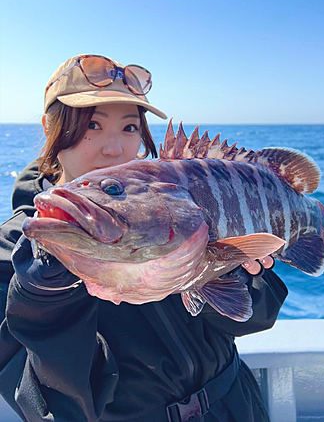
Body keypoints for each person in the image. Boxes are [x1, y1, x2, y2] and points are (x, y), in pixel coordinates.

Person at [0, 54, 288, 422]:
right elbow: (51, 405)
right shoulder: (13, 252)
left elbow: (254, 319)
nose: (114, 148)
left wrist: (232, 270)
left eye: (130, 128)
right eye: (91, 125)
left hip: (236, 406)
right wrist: (43, 297)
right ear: (48, 126)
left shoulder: (171, 201)